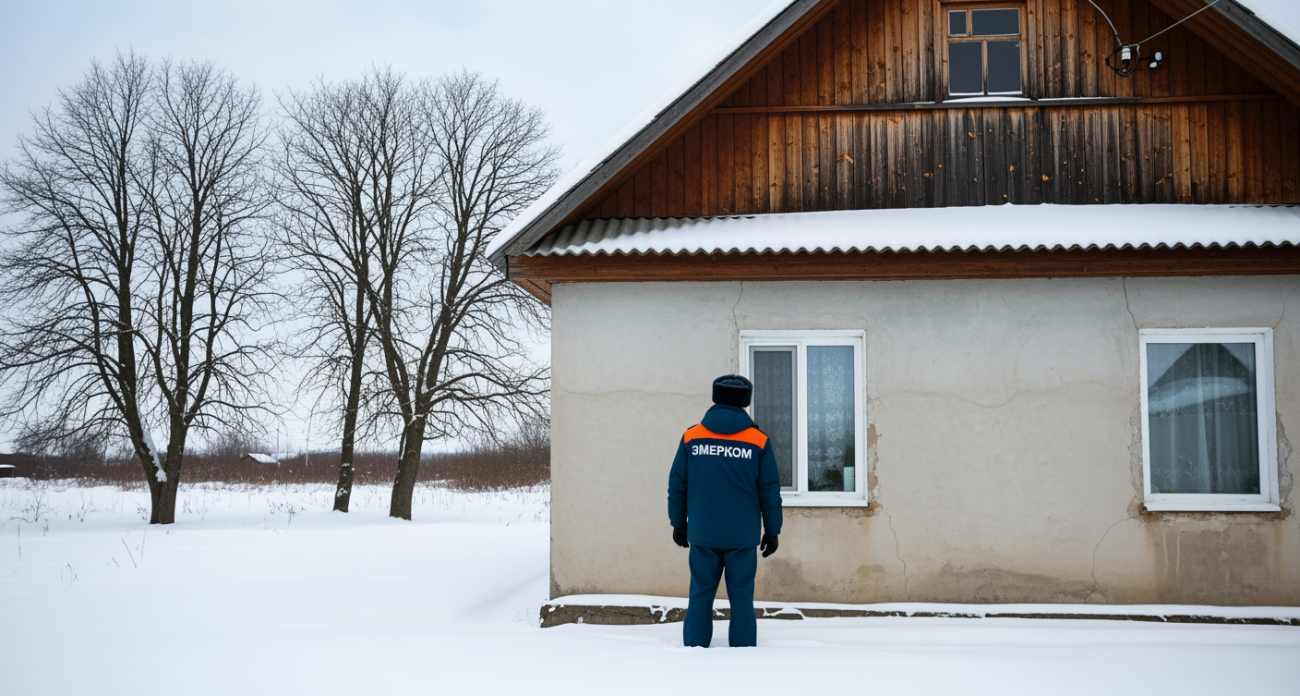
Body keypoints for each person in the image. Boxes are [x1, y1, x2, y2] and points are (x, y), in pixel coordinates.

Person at [667, 374, 783, 648]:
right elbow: (769, 488)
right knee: (742, 599)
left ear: (714, 398)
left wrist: (678, 523)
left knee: (700, 596)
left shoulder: (692, 437)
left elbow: (677, 483)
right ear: (745, 402)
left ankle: (694, 654)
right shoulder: (758, 440)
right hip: (742, 538)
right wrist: (773, 530)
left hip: (703, 533)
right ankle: (743, 659)